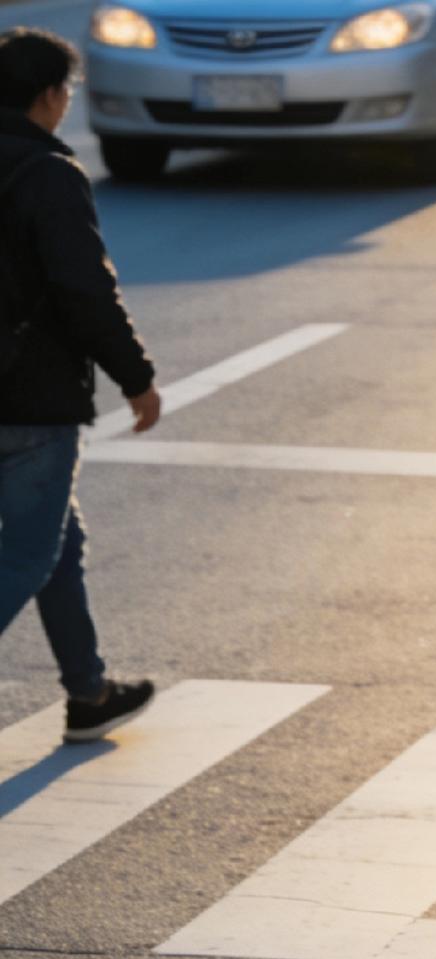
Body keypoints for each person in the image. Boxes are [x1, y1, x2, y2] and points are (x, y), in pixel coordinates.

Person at [0, 27, 160, 742]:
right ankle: (88, 690)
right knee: (30, 553)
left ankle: (89, 693)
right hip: (30, 399)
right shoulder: (48, 174)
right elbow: (84, 292)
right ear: (48, 97)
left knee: (57, 541)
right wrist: (137, 379)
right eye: (66, 92)